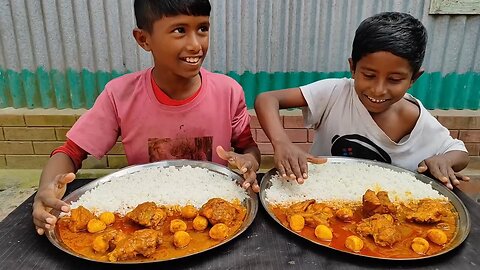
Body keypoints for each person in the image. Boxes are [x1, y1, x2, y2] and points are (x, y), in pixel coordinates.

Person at [33, 0, 261, 235]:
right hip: (145, 221)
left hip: (214, 220)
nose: (196, 45)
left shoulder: (228, 91)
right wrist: (47, 189)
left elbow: (248, 148)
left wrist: (249, 163)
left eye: (202, 28)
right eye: (179, 30)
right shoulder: (120, 95)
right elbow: (70, 152)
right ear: (143, 39)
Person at [254, 12, 469, 189]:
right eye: (368, 75)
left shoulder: (417, 121)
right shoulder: (334, 93)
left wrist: (445, 161)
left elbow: (459, 152)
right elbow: (267, 99)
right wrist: (282, 143)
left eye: (394, 79)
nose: (378, 89)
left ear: (414, 78)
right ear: (353, 67)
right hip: (316, 198)